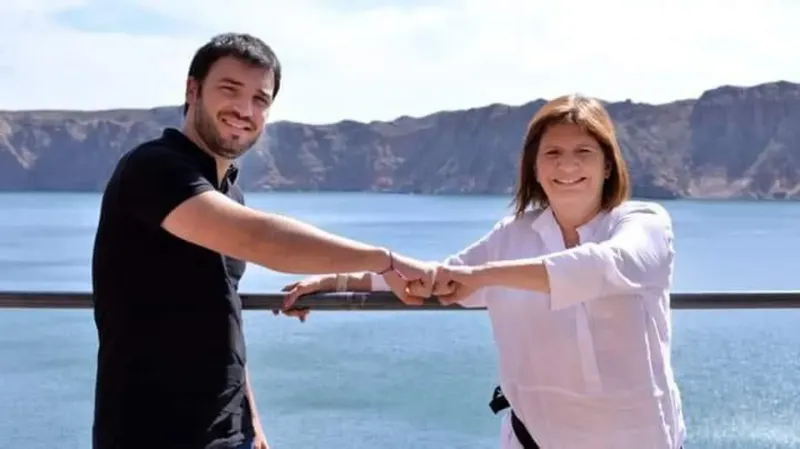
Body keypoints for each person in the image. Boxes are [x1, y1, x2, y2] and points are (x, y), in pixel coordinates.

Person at [282, 94, 686, 449]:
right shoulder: (513, 236)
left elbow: (601, 266)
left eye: (584, 152)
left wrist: (487, 275)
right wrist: (334, 281)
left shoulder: (644, 222)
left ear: (608, 165)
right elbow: (438, 278)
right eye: (553, 153)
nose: (567, 165)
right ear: (534, 167)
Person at [90, 32, 434, 449]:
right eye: (230, 90)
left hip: (228, 435)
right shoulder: (153, 169)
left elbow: (222, 309)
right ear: (192, 89)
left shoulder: (229, 192)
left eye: (260, 99)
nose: (244, 110)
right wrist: (385, 260)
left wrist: (252, 422)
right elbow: (263, 239)